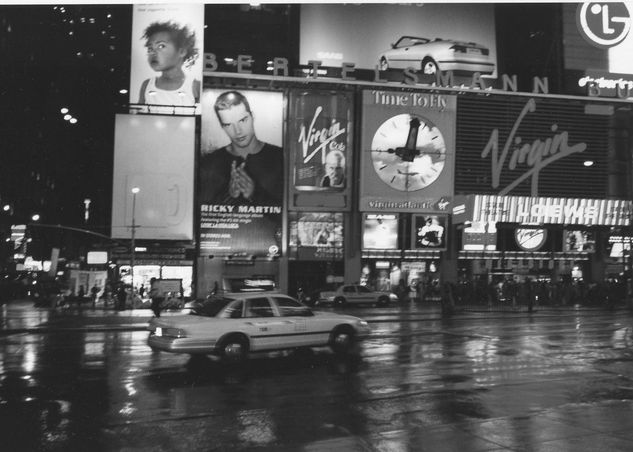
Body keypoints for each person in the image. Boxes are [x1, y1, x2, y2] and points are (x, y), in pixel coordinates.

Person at [199, 90, 284, 205]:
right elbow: (201, 209)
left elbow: (286, 209)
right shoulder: (210, 162)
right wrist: (230, 194)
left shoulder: (279, 157)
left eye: (243, 120)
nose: (238, 131)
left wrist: (254, 193)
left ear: (252, 116)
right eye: (228, 124)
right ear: (222, 126)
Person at [137, 21, 200, 106]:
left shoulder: (194, 86)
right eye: (150, 49)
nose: (153, 52)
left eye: (161, 46)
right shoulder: (147, 85)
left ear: (182, 51)